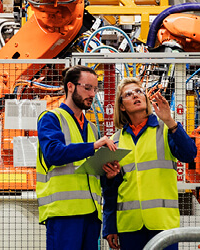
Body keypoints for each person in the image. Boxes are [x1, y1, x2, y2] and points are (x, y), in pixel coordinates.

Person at [101, 78, 197, 250]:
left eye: (139, 91)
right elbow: (110, 191)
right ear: (122, 106)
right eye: (128, 94)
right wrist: (109, 226)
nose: (136, 96)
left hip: (163, 224)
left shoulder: (167, 129)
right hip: (129, 226)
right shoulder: (116, 140)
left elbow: (189, 154)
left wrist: (171, 121)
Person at [35, 65, 122, 250]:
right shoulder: (51, 118)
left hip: (90, 214)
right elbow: (53, 154)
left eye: (95, 89)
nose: (92, 94)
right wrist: (93, 146)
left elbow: (91, 171)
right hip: (64, 215)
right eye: (87, 88)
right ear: (71, 87)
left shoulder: (91, 128)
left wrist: (108, 174)